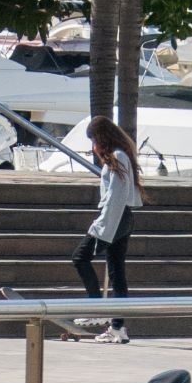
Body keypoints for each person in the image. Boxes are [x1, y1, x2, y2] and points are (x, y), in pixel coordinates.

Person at [73, 115, 141, 341]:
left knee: (80, 257)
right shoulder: (121, 155)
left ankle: (95, 307)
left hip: (114, 218)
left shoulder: (118, 157)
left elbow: (116, 197)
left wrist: (101, 226)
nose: (93, 147)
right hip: (122, 218)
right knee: (116, 272)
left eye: (93, 140)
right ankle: (118, 327)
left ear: (102, 138)